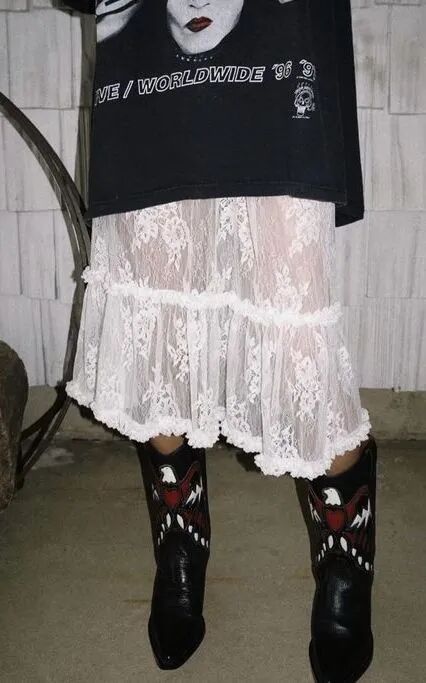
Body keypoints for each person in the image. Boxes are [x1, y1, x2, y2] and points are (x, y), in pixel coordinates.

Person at [63, 1, 377, 680]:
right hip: (149, 73)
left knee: (298, 330)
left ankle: (346, 571)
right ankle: (181, 549)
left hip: (278, 50)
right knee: (157, 321)